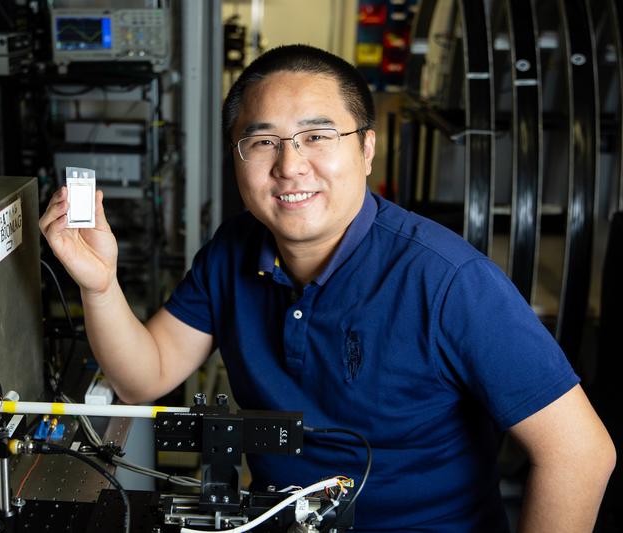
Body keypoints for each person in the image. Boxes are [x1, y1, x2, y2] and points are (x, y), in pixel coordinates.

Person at [39, 44, 615, 531]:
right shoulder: (233, 250)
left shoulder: (448, 281)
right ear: (237, 160)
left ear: (366, 149)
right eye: (262, 141)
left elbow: (580, 453)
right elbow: (144, 376)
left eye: (317, 136)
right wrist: (100, 284)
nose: (290, 165)